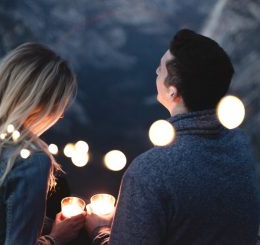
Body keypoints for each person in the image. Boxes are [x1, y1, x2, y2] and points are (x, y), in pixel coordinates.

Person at [85, 29, 260, 244]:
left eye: (161, 68)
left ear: (172, 93)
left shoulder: (149, 172)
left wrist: (100, 231)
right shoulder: (240, 145)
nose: (156, 70)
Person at [0, 43, 86, 244]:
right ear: (41, 105)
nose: (61, 115)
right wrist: (55, 239)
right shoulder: (30, 160)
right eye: (60, 105)